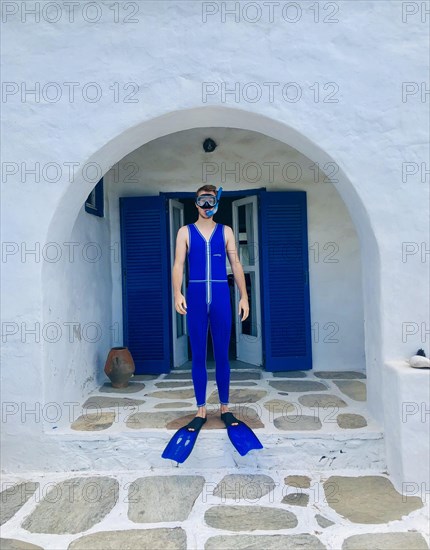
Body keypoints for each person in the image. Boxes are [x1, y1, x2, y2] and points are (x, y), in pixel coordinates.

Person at [162, 185, 263, 462]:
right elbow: (178, 265)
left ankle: (225, 407)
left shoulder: (226, 231)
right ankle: (200, 410)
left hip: (220, 296)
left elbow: (237, 264)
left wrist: (244, 296)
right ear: (196, 203)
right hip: (195, 296)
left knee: (221, 356)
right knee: (197, 356)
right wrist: (177, 292)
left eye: (211, 200)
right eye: (202, 200)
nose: (206, 205)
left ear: (216, 202)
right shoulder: (185, 232)